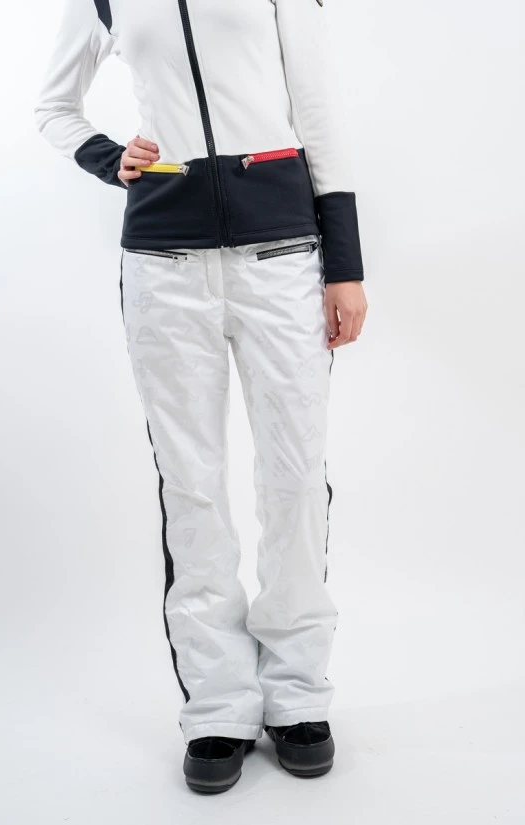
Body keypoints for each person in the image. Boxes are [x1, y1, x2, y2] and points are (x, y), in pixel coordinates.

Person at [34, 0, 368, 793]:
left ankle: (296, 692)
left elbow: (318, 112)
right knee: (192, 486)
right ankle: (219, 703)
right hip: (163, 267)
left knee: (294, 476)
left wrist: (345, 264)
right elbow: (52, 106)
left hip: (283, 257)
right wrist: (107, 156)